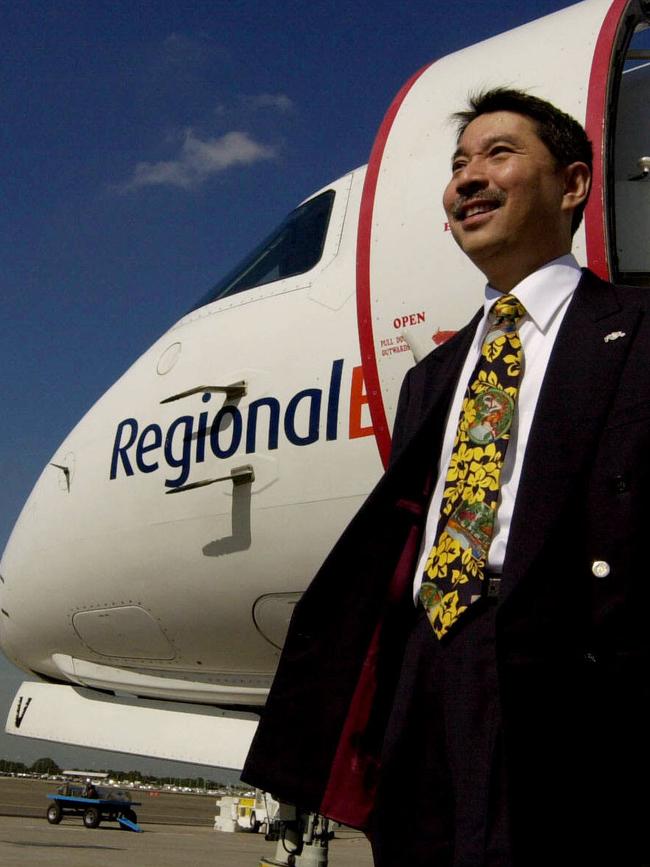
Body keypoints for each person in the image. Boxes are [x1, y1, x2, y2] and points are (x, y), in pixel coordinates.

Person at [243, 89, 650, 866]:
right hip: (429, 664)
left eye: (499, 154)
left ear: (573, 185)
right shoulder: (433, 375)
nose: (467, 178)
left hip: (565, 671)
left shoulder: (636, 332)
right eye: (459, 163)